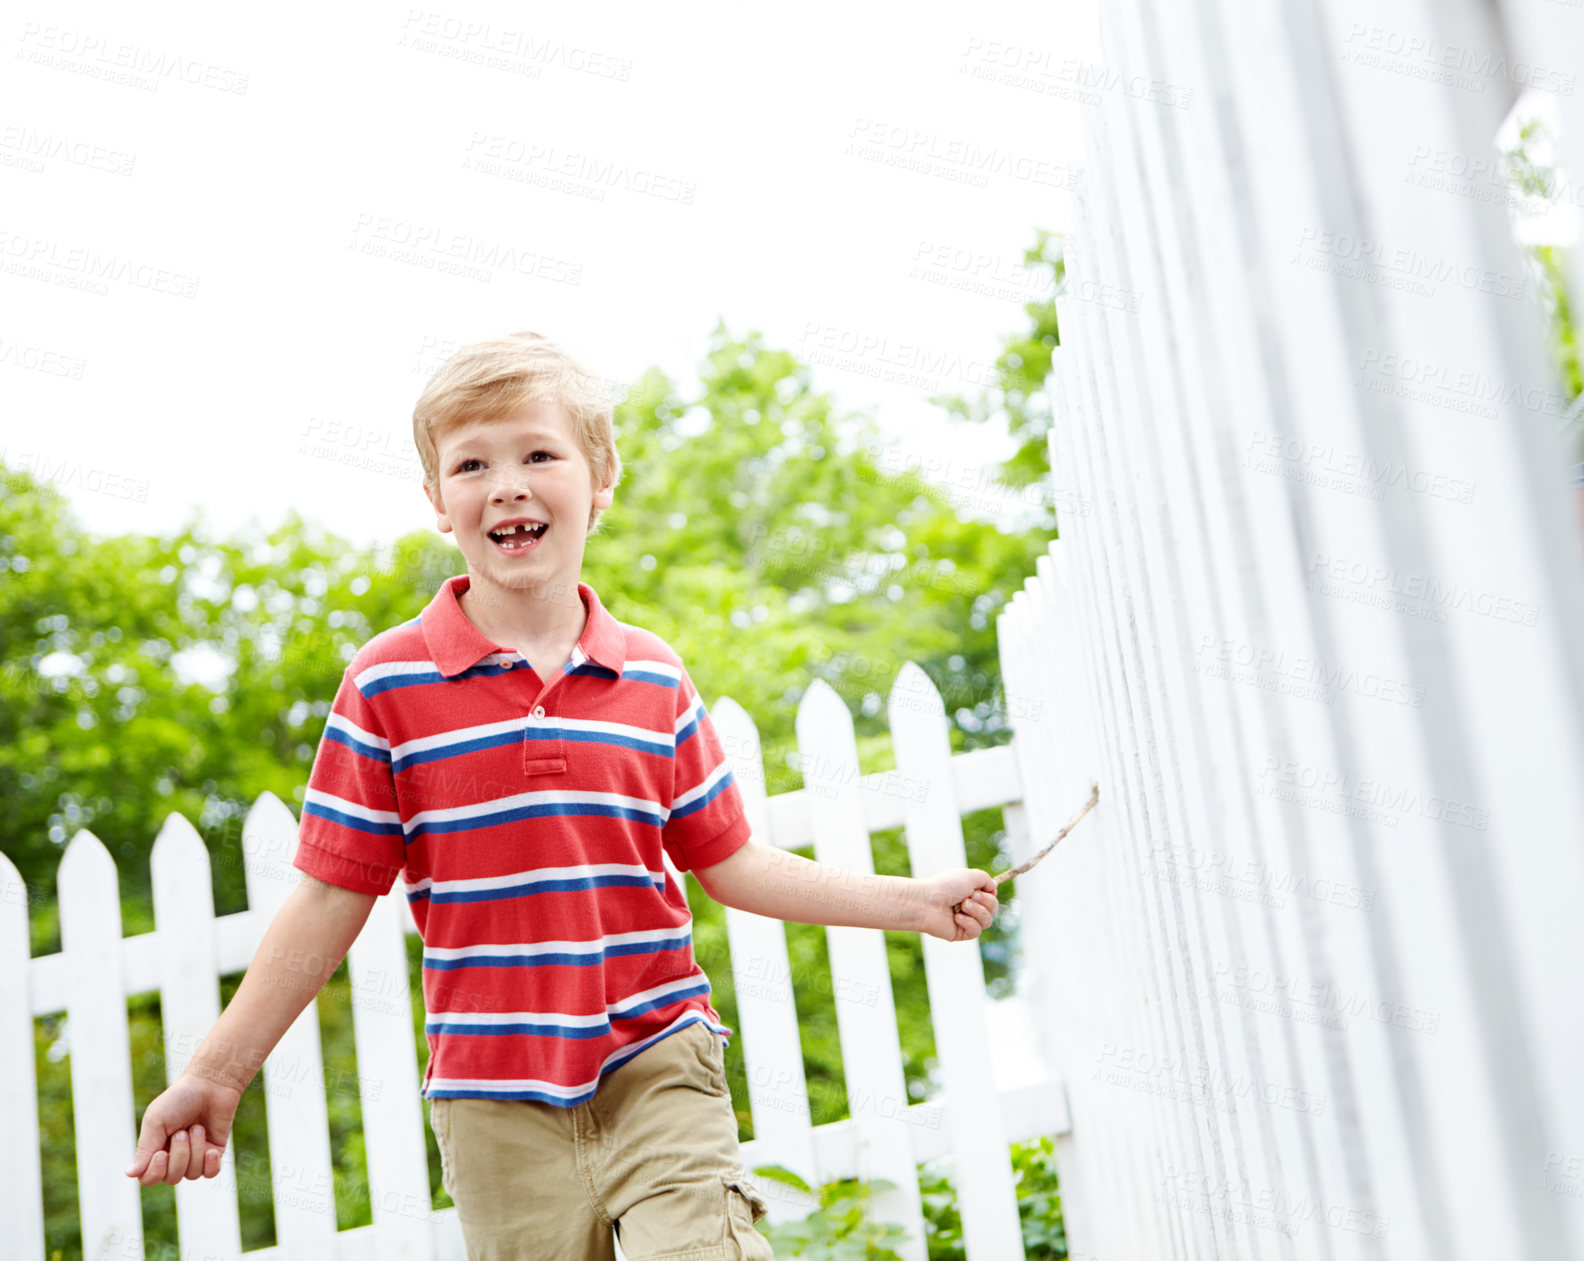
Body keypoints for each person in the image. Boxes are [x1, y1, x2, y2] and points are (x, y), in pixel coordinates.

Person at [124, 331, 1001, 1260]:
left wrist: (911, 901)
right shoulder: (387, 685)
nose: (506, 483)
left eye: (539, 453)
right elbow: (332, 893)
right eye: (471, 464)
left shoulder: (652, 679)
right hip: (494, 1099)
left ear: (601, 477)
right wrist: (216, 1075)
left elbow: (733, 863)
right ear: (437, 503)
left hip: (658, 1060)